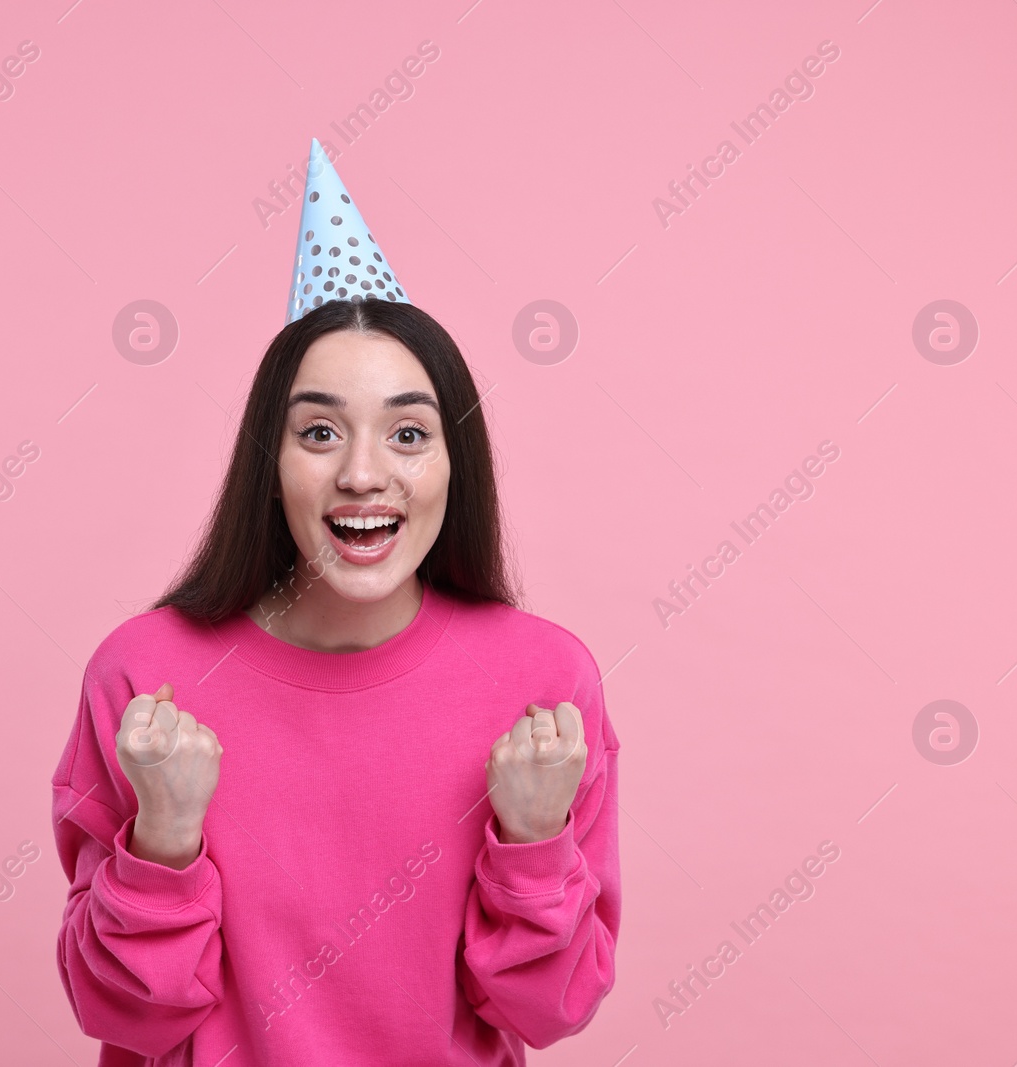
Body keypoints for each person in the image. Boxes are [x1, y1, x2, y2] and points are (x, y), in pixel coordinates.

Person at [50, 141, 619, 1066]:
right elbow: (124, 1018)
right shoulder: (148, 679)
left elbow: (549, 1013)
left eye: (407, 432)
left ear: (452, 464)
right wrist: (162, 838)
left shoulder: (544, 683)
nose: (363, 473)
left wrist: (534, 840)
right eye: (319, 431)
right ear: (268, 467)